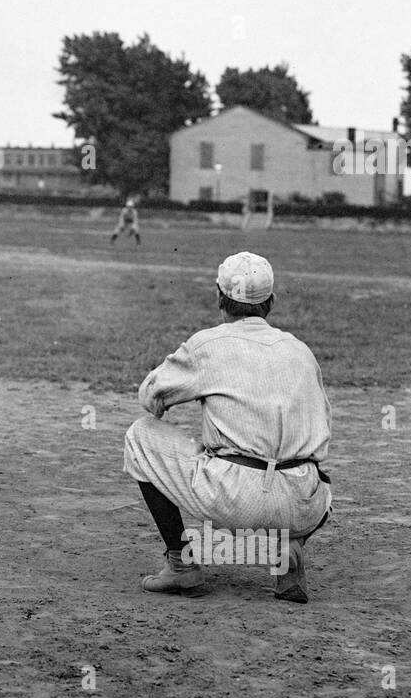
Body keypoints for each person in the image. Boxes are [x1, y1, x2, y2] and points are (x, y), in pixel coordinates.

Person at [122, 252, 332, 603]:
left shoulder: (208, 344)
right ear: (272, 302)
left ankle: (181, 565)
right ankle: (289, 551)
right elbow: (323, 424)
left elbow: (151, 397)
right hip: (308, 502)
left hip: (237, 498)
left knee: (140, 436)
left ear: (220, 298)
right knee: (297, 460)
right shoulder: (301, 350)